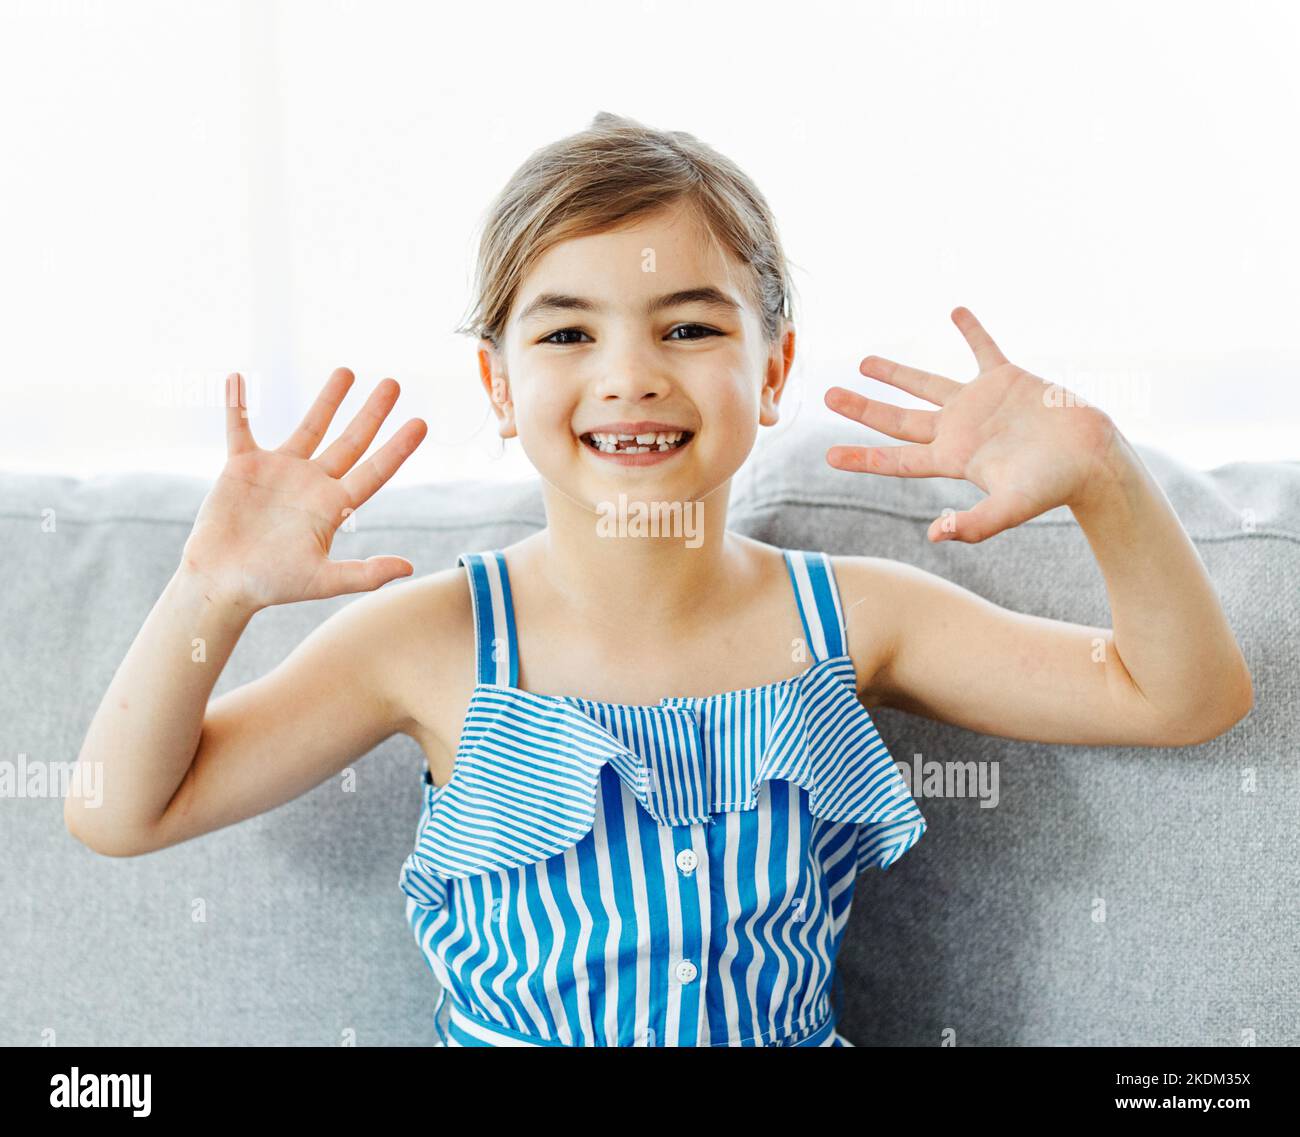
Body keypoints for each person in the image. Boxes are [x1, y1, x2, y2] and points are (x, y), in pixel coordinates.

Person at [67, 111, 1254, 1048]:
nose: (629, 375)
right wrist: (210, 592)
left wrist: (1102, 476)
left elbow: (1180, 697)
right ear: (495, 387)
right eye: (568, 333)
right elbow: (122, 813)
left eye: (688, 329)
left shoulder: (857, 617)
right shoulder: (424, 640)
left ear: (773, 366)